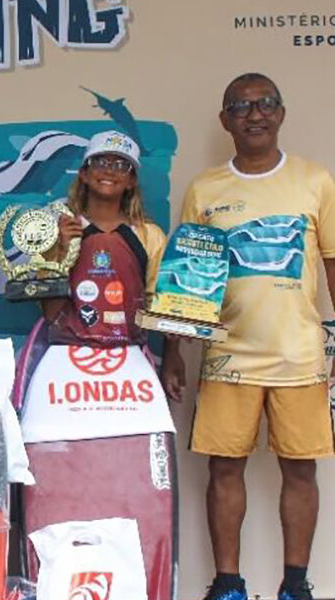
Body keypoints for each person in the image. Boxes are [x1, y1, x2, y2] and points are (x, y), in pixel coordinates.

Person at [183, 73, 335, 600]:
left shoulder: (315, 181)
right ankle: (228, 584)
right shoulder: (204, 189)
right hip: (228, 354)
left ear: (281, 113)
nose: (254, 114)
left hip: (298, 354)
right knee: (224, 469)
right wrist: (176, 347)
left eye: (265, 103)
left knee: (301, 468)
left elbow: (333, 264)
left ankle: (296, 585)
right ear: (225, 120)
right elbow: (189, 279)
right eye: (241, 107)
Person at [47, 130, 184, 394]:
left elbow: (164, 304)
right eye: (100, 162)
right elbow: (48, 310)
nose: (110, 171)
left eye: (121, 165)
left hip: (130, 357)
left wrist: (172, 356)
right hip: (66, 356)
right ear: (84, 174)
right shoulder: (60, 229)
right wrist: (60, 251)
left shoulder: (148, 235)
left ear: (131, 180)